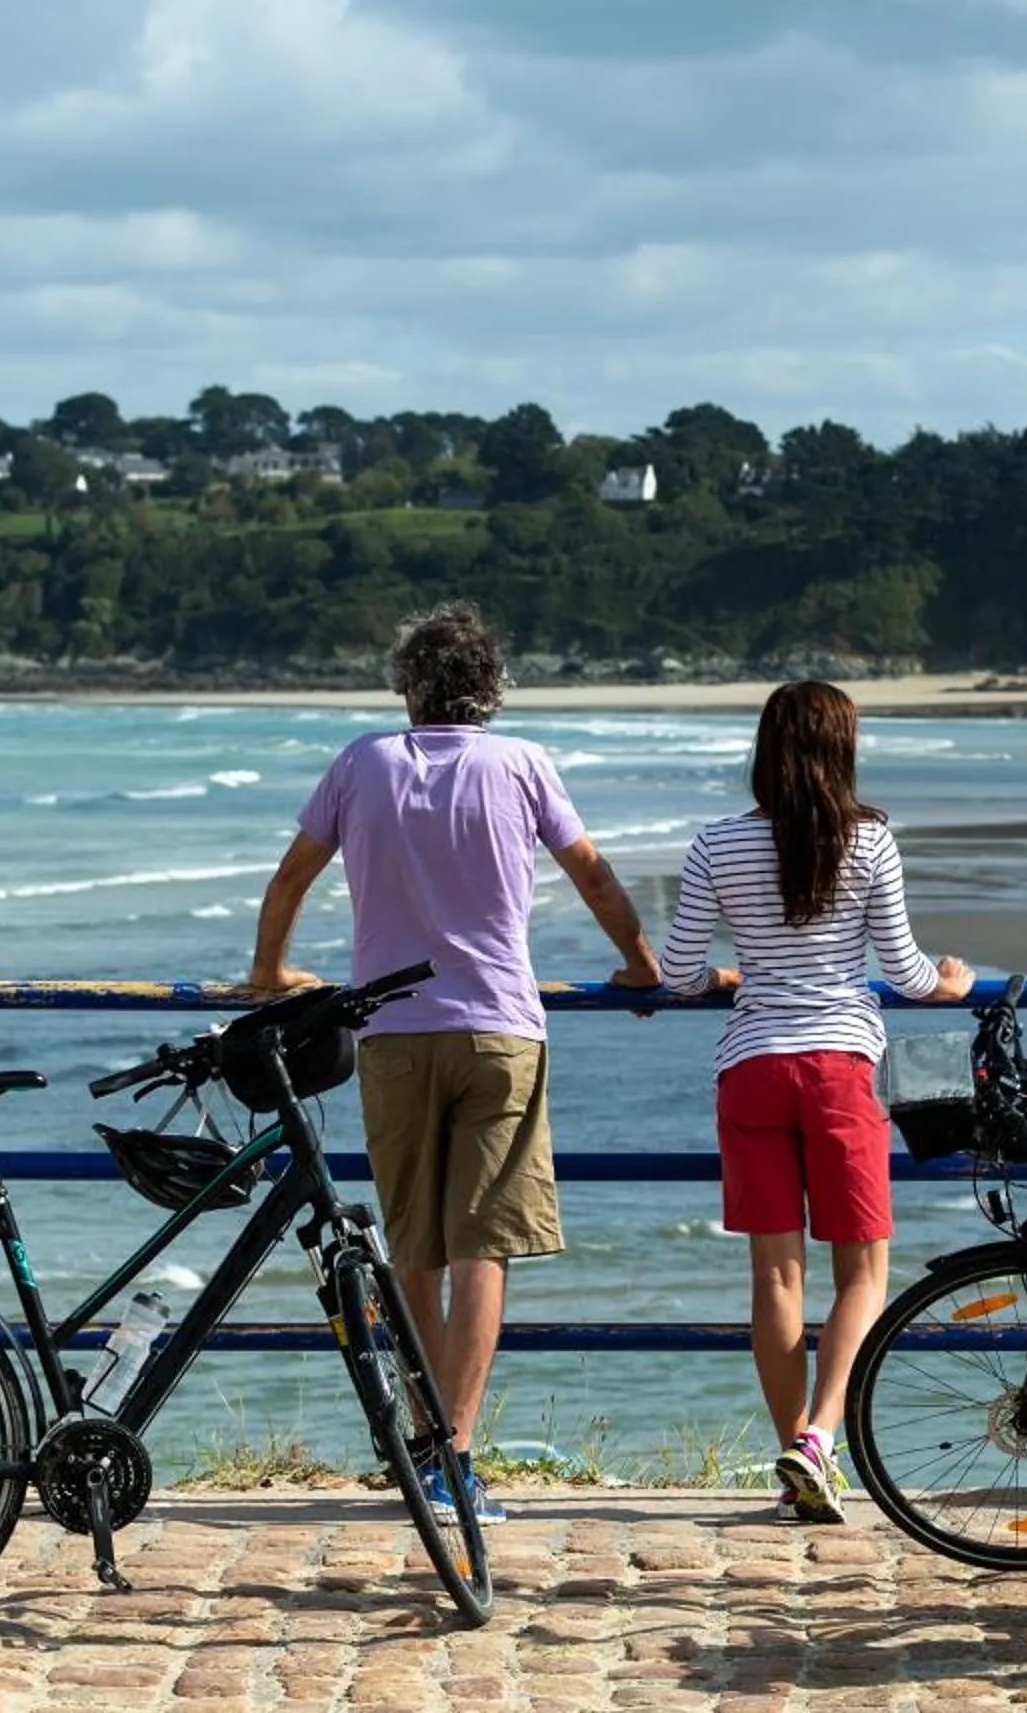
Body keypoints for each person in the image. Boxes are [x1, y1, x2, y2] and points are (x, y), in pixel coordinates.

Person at [248, 601, 660, 1527]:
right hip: (499, 1029)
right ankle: (455, 1458)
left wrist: (269, 971)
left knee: (413, 1250)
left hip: (391, 1033)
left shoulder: (362, 763)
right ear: (492, 690)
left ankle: (421, 1446)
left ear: (408, 688)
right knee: (484, 1248)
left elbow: (291, 876)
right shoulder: (521, 764)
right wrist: (640, 966)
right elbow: (593, 874)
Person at [658, 680, 973, 1522]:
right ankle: (820, 1439)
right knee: (864, 1270)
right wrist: (949, 984)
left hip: (753, 1066)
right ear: (842, 750)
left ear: (766, 749)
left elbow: (678, 974)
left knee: (775, 1276)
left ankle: (795, 1452)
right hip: (841, 1068)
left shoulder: (717, 843)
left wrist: (730, 975)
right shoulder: (868, 840)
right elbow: (903, 971)